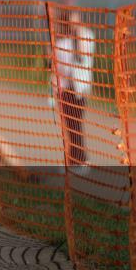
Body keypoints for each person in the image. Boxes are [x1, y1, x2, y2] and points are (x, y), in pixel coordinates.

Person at [51, 12, 94, 170]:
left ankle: (81, 161)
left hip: (80, 89)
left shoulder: (87, 37)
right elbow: (58, 68)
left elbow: (82, 56)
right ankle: (73, 160)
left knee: (76, 125)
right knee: (69, 126)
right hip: (66, 90)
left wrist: (76, 35)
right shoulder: (63, 44)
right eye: (70, 23)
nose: (73, 26)